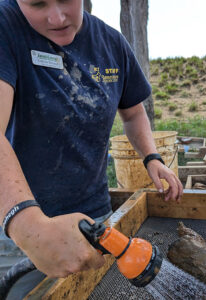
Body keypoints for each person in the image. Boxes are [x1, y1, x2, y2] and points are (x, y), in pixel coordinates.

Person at [0, 0, 183, 298]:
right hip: (14, 227)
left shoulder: (111, 43)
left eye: (65, 0)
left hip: (95, 219)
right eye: (37, 3)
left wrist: (152, 158)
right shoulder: (5, 26)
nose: (57, 17)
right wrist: (28, 226)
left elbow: (134, 113)